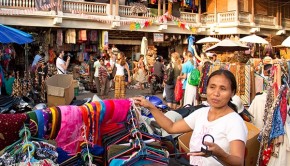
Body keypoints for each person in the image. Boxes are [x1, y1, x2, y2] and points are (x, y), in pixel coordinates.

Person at [133, 69, 248, 166]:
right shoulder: (201, 113)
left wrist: (220, 153)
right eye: (212, 87)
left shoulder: (234, 121)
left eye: (223, 89)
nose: (216, 93)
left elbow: (239, 161)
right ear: (206, 89)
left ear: (232, 93)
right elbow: (171, 127)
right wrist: (150, 106)